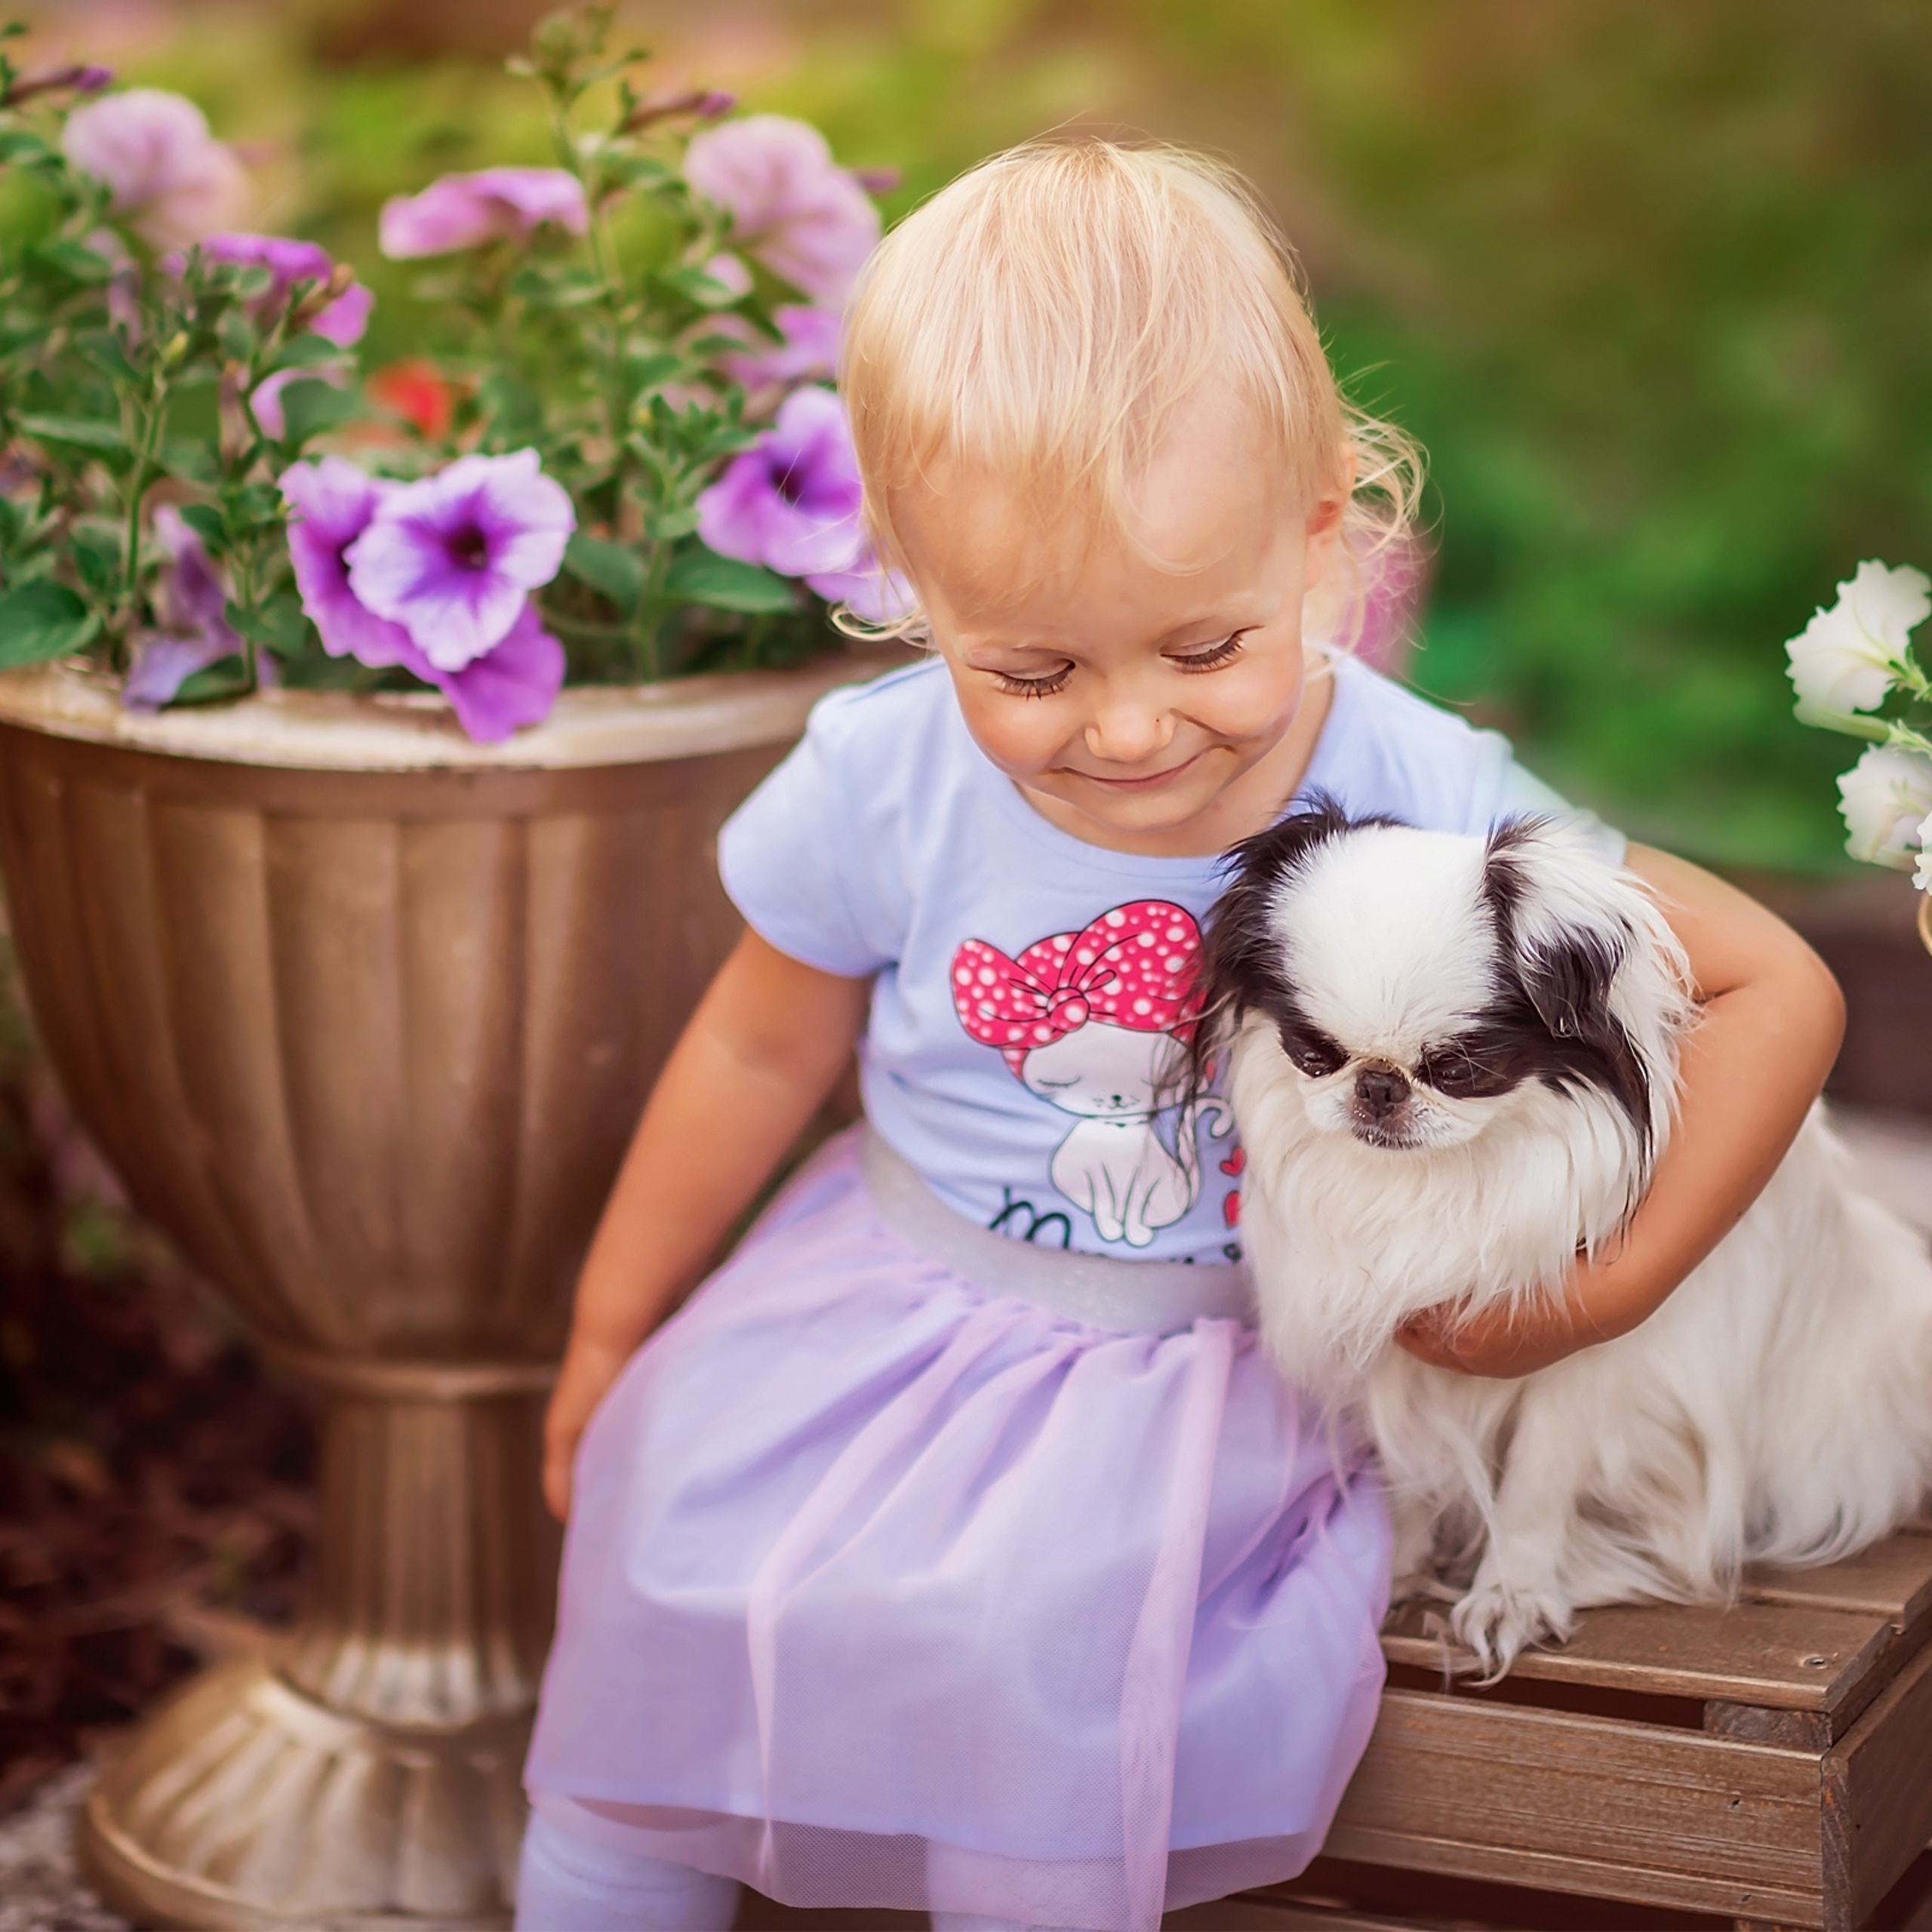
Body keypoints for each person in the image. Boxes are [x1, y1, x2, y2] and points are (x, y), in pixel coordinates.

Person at [515, 140, 1844, 1932]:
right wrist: (616, 1327)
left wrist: (1601, 1289)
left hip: (1201, 1367)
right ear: (906, 580)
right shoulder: (880, 773)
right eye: (1033, 670)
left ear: (1322, 534)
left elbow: (1782, 983)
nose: (1130, 731)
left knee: (1035, 1647)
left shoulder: (1418, 788)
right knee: (665, 1537)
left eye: (1203, 644)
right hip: (891, 1295)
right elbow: (754, 1052)